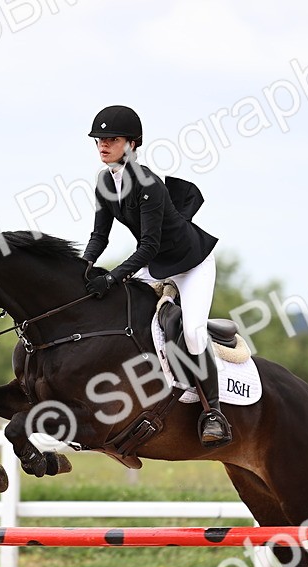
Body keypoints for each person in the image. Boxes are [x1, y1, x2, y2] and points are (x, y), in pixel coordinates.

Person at [79, 104, 231, 448]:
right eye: (99, 140)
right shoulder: (105, 182)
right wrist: (82, 268)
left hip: (191, 263)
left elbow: (148, 245)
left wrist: (113, 276)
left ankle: (214, 413)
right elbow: (99, 236)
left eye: (111, 139)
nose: (103, 145)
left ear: (132, 144)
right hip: (156, 263)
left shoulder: (148, 184)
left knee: (192, 332)